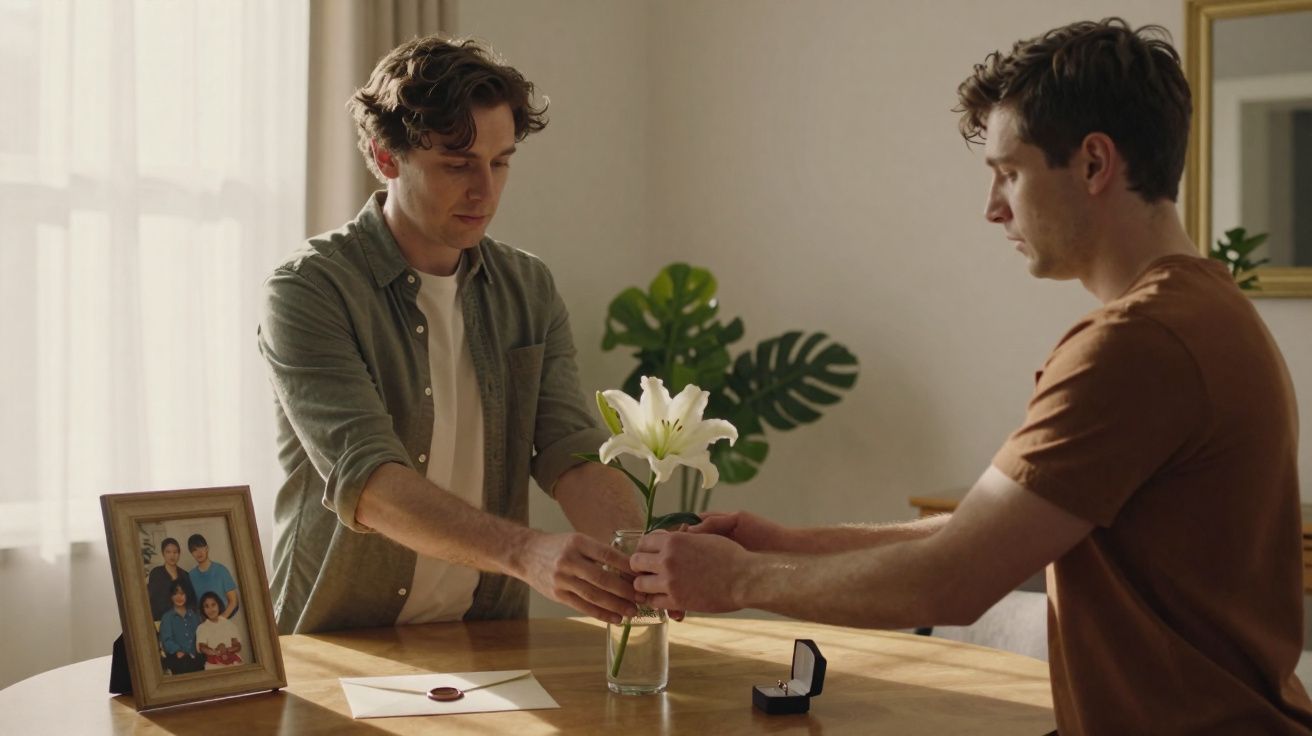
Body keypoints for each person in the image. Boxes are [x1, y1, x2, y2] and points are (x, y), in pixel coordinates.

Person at [629, 18, 1312, 734]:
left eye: (1010, 173)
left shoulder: (1136, 344)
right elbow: (981, 536)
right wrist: (781, 544)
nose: (992, 209)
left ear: (1093, 164)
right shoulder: (1207, 309)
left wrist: (736, 580)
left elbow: (951, 581)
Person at [257, 34, 641, 635]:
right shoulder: (309, 290)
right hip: (338, 643)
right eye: (457, 165)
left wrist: (640, 555)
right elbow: (369, 482)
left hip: (488, 639)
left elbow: (570, 445)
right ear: (386, 159)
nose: (485, 191)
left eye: (501, 161)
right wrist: (527, 553)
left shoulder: (528, 287)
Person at [187, 533, 239, 620]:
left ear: (207, 548)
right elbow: (193, 606)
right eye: (194, 550)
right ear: (191, 553)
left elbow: (233, 601)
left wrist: (220, 620)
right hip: (204, 625)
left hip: (224, 621)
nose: (199, 552)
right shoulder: (191, 576)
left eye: (201, 548)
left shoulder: (221, 570)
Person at [146, 537, 197, 622]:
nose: (172, 555)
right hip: (161, 620)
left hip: (183, 621)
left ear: (179, 554)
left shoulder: (185, 575)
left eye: (175, 552)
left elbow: (192, 601)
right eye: (168, 552)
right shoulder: (156, 573)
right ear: (163, 553)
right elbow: (153, 601)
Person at [158, 581, 204, 675]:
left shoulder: (195, 615)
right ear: (171, 596)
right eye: (175, 594)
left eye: (182, 593)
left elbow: (201, 635)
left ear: (187, 595)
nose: (179, 597)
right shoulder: (167, 617)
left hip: (197, 658)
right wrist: (178, 651)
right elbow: (167, 640)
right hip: (179, 659)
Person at [196, 592, 244, 669]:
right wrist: (215, 652)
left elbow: (237, 646)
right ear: (202, 609)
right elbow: (202, 647)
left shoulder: (229, 624)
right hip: (213, 665)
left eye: (213, 605)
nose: (210, 609)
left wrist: (227, 650)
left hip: (233, 663)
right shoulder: (202, 628)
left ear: (219, 605)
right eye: (206, 606)